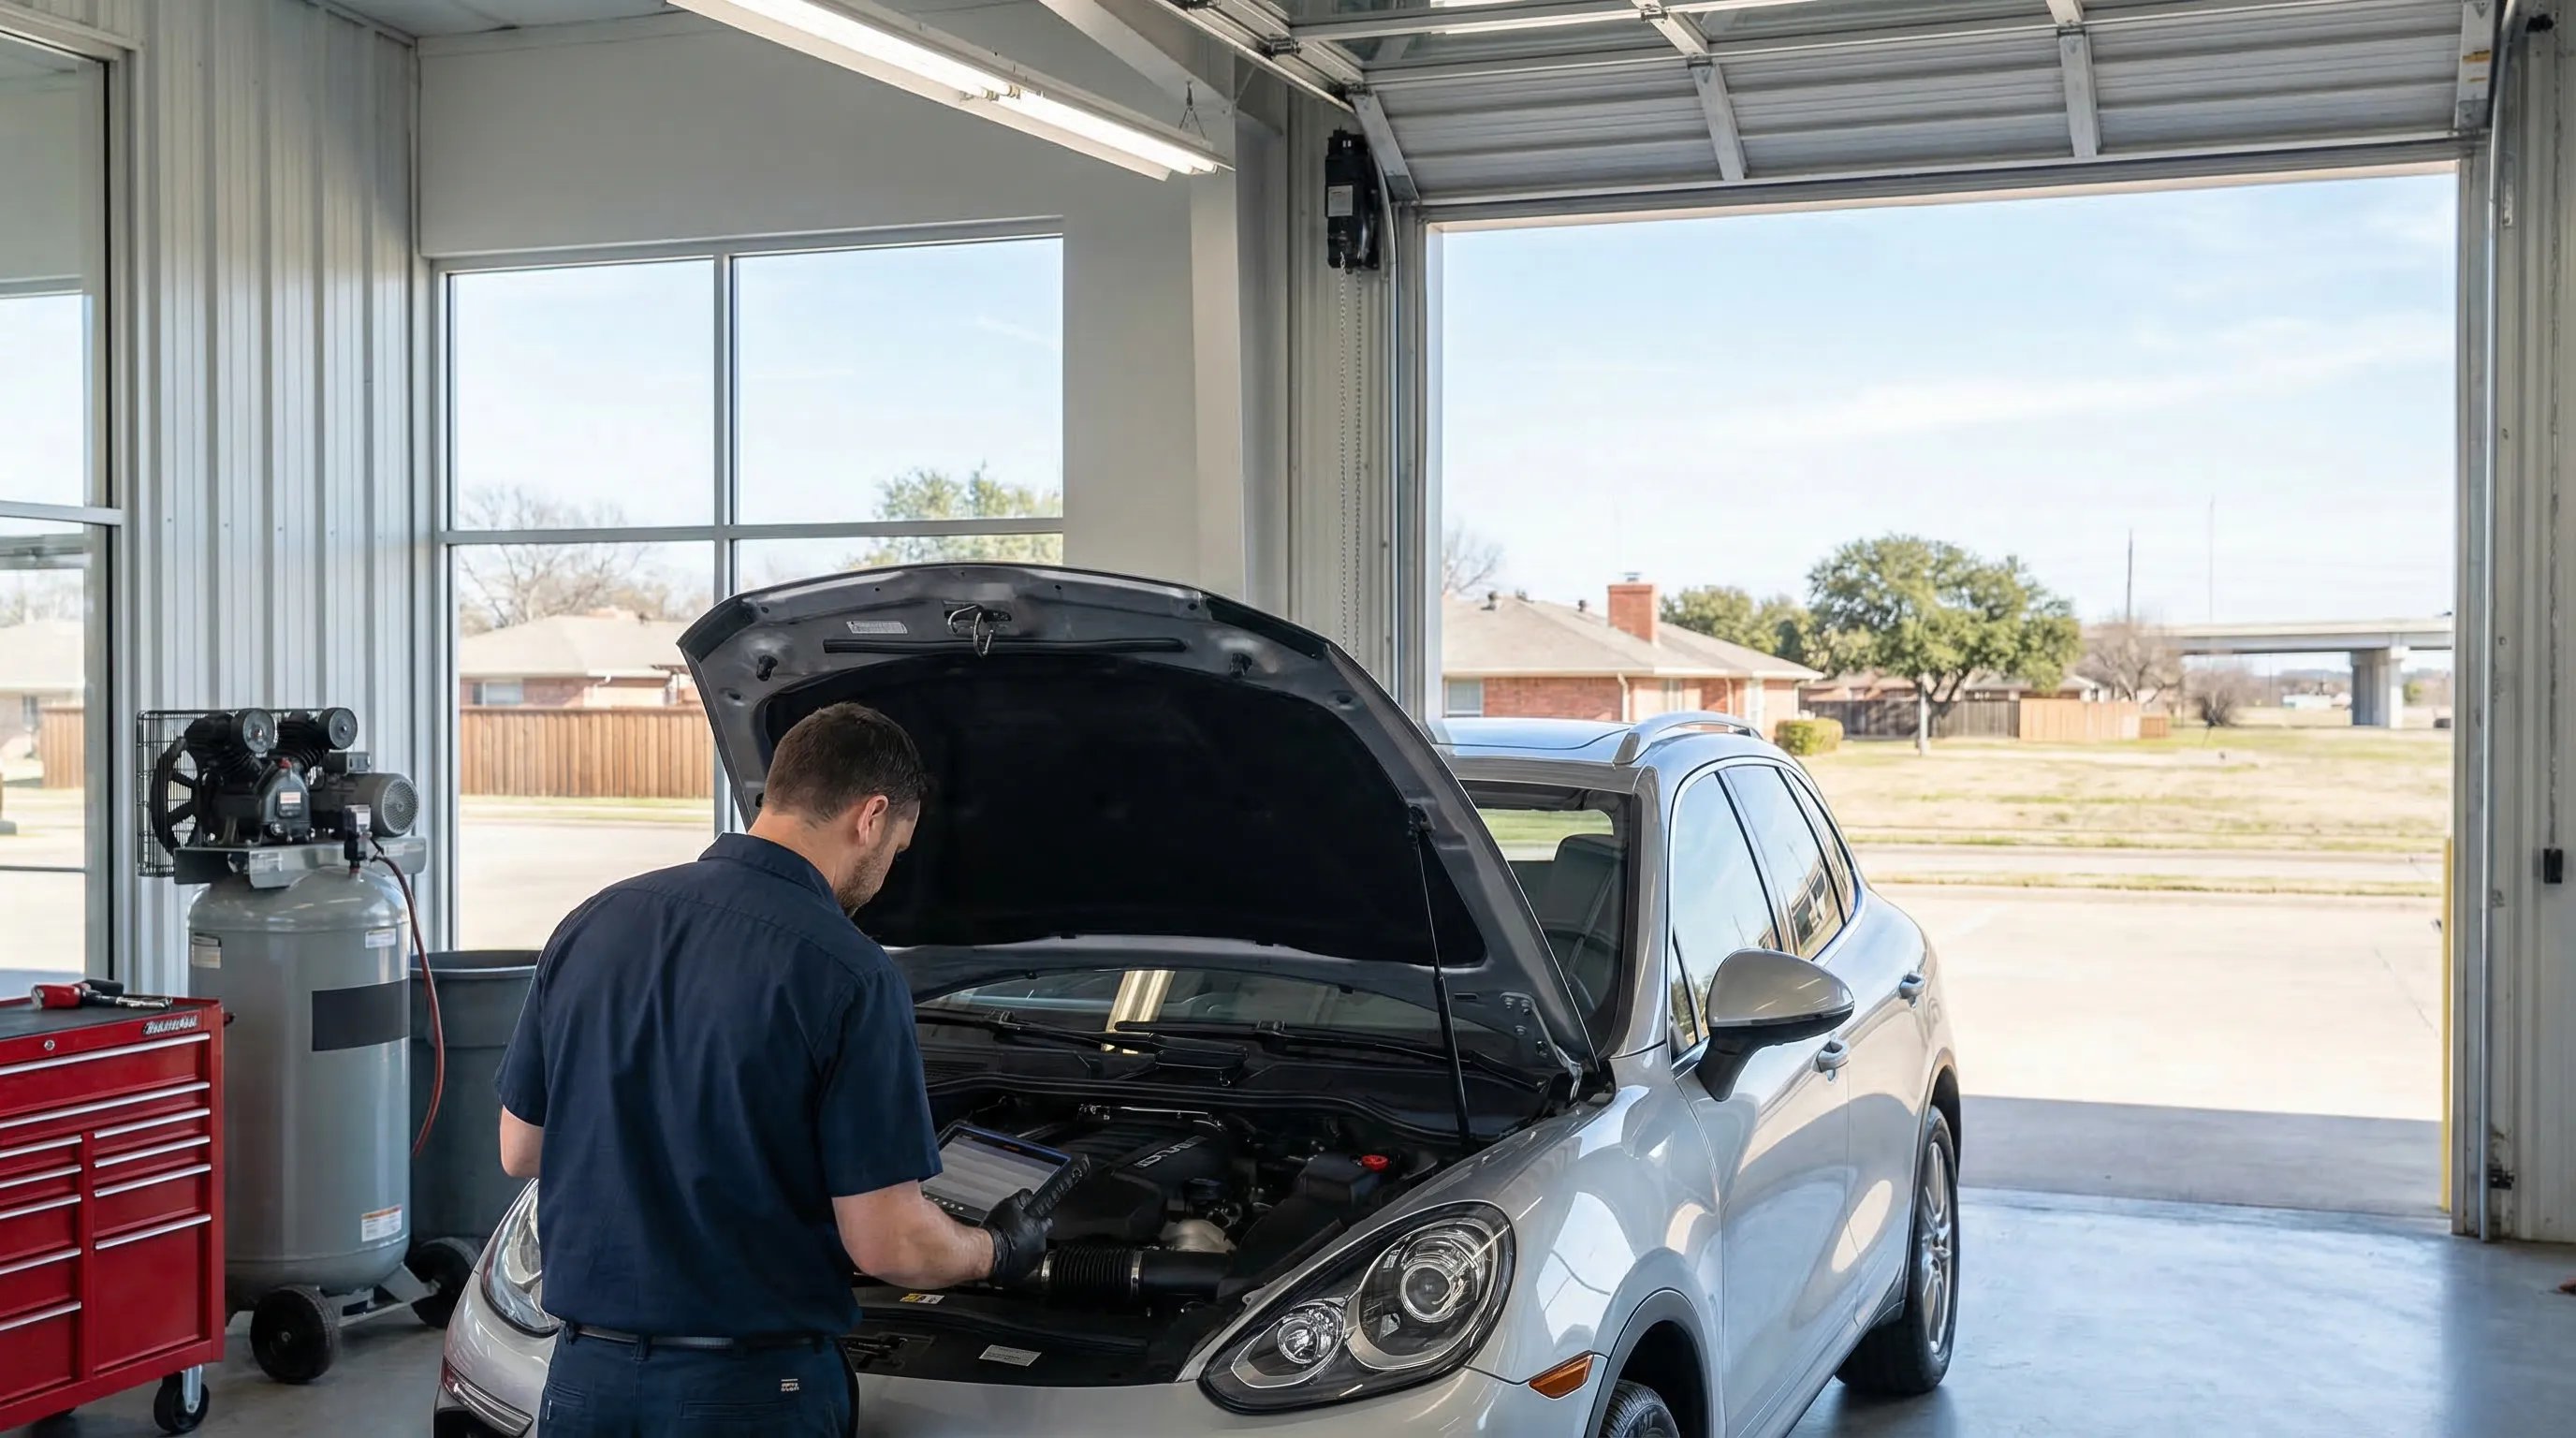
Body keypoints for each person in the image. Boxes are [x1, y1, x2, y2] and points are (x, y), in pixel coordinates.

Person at [493, 701, 1050, 1436]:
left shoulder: (595, 920)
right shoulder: (848, 971)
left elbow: (522, 1149)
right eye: (898, 848)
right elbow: (889, 1244)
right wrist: (998, 1250)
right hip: (747, 1393)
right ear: (872, 816)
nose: (886, 873)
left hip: (582, 1380)